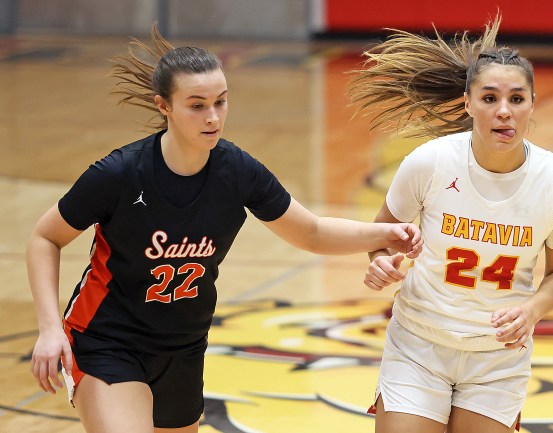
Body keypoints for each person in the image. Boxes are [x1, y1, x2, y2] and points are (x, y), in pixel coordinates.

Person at [26, 25, 423, 433]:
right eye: (196, 105)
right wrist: (49, 328)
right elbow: (45, 237)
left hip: (184, 347)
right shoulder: (120, 174)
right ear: (164, 106)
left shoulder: (238, 171)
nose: (213, 116)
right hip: (109, 340)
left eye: (220, 101)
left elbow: (312, 232)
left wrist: (384, 234)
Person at [350, 15, 553, 433]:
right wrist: (383, 261)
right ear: (468, 103)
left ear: (532, 103)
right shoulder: (430, 161)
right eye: (489, 98)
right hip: (419, 345)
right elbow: (381, 236)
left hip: (498, 358)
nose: (504, 112)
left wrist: (531, 310)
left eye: (517, 99)